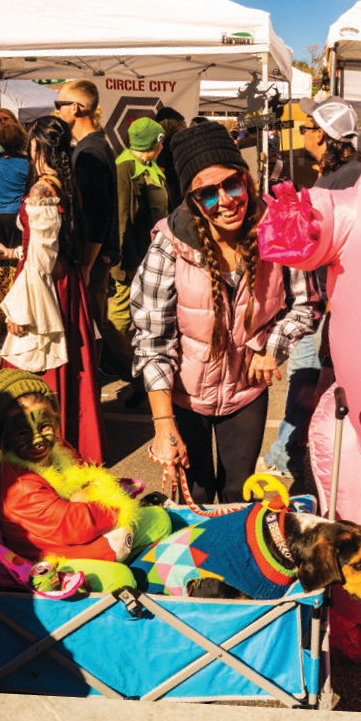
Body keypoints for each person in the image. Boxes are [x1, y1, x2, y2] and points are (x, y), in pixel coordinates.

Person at [130, 121, 322, 504]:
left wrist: (272, 346)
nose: (227, 201)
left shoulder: (277, 232)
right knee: (195, 496)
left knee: (239, 492)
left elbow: (307, 304)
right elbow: (152, 338)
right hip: (185, 394)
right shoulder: (169, 246)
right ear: (192, 200)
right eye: (208, 193)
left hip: (245, 392)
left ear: (247, 180)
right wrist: (163, 423)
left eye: (233, 185)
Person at [0, 369, 172, 592]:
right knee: (122, 578)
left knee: (158, 519)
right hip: (54, 558)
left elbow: (85, 482)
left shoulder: (59, 451)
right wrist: (110, 501)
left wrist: (90, 495)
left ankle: (152, 570)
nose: (37, 438)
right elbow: (76, 525)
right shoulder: (21, 487)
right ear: (2, 438)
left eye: (44, 426)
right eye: (22, 433)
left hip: (85, 536)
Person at [0, 114, 108, 464]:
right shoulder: (65, 185)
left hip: (44, 289)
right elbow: (47, 251)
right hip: (63, 287)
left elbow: (40, 262)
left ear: (37, 147)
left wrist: (20, 311)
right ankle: (70, 445)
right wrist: (9, 252)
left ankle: (39, 454)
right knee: (68, 373)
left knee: (31, 376)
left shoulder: (42, 190)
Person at [262, 96, 361, 478]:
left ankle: (286, 457)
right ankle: (291, 451)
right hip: (327, 293)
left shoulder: (344, 178)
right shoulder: (349, 172)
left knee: (306, 375)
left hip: (324, 296)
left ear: (323, 136)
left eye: (307, 128)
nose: (302, 134)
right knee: (311, 374)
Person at [52, 79, 121, 373]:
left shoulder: (89, 153)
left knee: (88, 332)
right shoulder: (93, 146)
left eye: (59, 105)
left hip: (89, 261)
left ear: (77, 108)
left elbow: (96, 215)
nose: (56, 112)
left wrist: (86, 266)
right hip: (92, 260)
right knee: (93, 329)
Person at [108, 117, 168, 372]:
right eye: (161, 140)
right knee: (121, 311)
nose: (163, 145)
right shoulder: (126, 168)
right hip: (134, 258)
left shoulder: (150, 166)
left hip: (152, 254)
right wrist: (128, 262)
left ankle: (127, 359)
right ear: (152, 142)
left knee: (139, 312)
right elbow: (122, 218)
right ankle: (108, 359)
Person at [0, 121, 29, 331]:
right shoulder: (28, 163)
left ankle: (1, 313)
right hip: (17, 216)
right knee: (16, 265)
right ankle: (15, 313)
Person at [154, 107, 186, 211]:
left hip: (172, 191)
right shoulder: (185, 138)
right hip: (186, 189)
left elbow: (160, 170)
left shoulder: (168, 142)